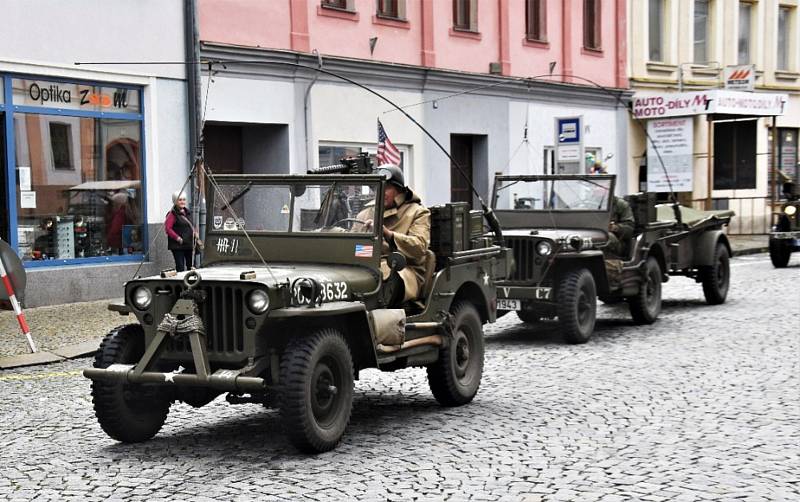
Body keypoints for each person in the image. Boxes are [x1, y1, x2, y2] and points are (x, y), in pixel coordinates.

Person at [356, 164, 431, 305]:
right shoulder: (365, 214)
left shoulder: (417, 212)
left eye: (387, 187)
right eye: (378, 187)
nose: (382, 191)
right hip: (367, 267)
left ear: (399, 190)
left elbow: (420, 247)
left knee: (382, 276)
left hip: (405, 269)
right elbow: (354, 248)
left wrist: (388, 234)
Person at [591, 162, 634, 258]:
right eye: (594, 185)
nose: (596, 188)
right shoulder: (586, 205)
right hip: (590, 239)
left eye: (599, 185)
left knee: (606, 237)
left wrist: (614, 227)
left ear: (608, 186)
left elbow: (629, 229)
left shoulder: (620, 205)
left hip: (615, 243)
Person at [165, 190, 197, 272]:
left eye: (184, 199)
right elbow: (168, 229)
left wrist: (196, 233)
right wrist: (178, 238)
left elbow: (192, 225)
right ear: (175, 201)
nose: (182, 202)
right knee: (180, 267)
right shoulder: (172, 214)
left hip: (188, 244)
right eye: (180, 200)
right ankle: (180, 283)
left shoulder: (188, 212)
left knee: (191, 266)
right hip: (178, 245)